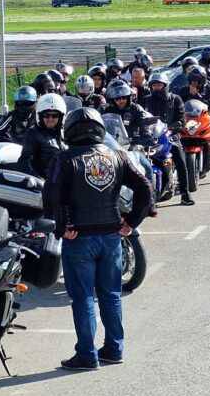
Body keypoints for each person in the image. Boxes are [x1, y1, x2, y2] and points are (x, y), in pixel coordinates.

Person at [45, 107, 153, 370]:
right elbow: (145, 185)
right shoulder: (117, 155)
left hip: (79, 237)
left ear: (69, 130)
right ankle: (114, 349)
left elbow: (51, 196)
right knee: (111, 294)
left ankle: (86, 354)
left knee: (83, 298)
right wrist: (132, 222)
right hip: (111, 235)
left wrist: (63, 226)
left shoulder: (64, 158)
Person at [142, 71, 193, 205]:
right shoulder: (146, 100)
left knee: (181, 160)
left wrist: (172, 128)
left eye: (159, 85)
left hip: (170, 135)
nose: (156, 87)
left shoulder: (175, 99)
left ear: (165, 85)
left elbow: (182, 119)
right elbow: (140, 118)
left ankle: (185, 194)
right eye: (154, 85)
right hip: (150, 137)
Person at [17, 93, 67, 177]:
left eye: (55, 115)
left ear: (61, 116)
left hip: (64, 182)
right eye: (46, 115)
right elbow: (24, 163)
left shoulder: (65, 133)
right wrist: (40, 181)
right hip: (45, 184)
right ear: (40, 116)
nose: (50, 119)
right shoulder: (33, 133)